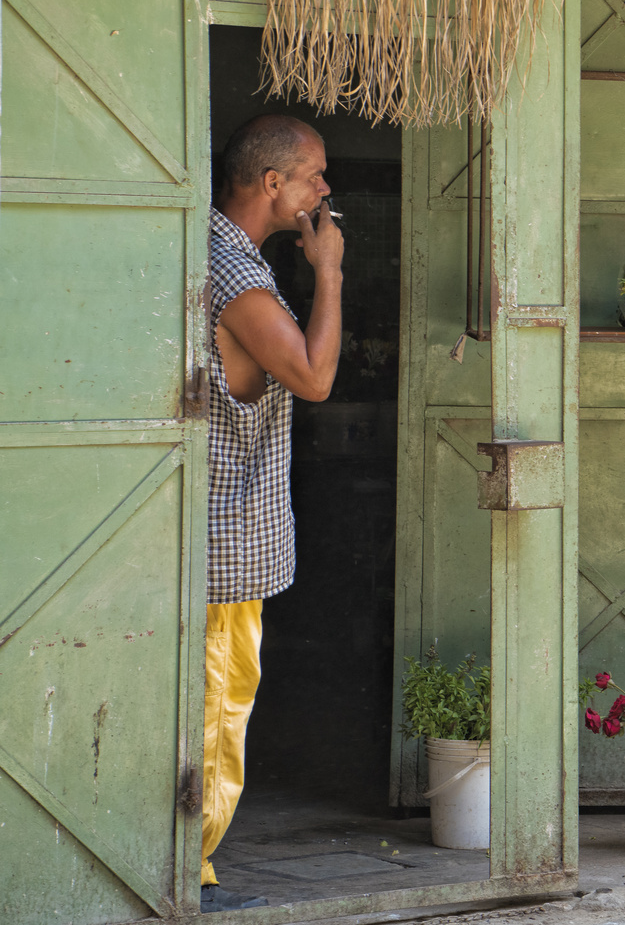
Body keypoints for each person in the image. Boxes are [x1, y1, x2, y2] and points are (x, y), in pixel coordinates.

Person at [202, 114, 343, 913]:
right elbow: (313, 378)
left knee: (216, 705)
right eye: (314, 175)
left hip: (224, 534)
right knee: (219, 710)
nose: (324, 190)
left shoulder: (228, 255)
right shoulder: (238, 274)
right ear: (272, 186)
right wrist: (328, 271)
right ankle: (190, 865)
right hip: (226, 540)